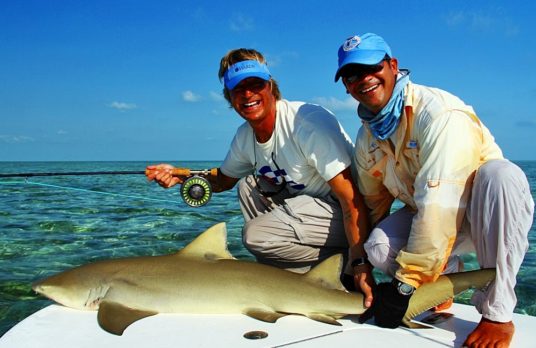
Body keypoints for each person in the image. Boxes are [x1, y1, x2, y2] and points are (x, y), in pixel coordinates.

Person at [333, 32, 534, 347]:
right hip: (430, 216)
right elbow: (373, 207)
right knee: (378, 246)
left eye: (372, 67)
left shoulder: (439, 114)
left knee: (502, 176)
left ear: (393, 66)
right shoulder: (366, 138)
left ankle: (498, 313)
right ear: (346, 86)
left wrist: (404, 286)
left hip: (484, 214)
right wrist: (359, 265)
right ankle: (443, 281)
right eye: (352, 74)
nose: (364, 79)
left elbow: (441, 204)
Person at [147, 48, 373, 303]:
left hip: (354, 217)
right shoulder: (245, 137)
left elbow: (352, 199)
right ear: (228, 96)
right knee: (248, 186)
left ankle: (333, 273)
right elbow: (223, 180)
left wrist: (360, 264)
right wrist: (182, 176)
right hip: (312, 218)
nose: (247, 94)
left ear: (271, 87)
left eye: (255, 84)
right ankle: (288, 279)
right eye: (238, 88)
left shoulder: (307, 123)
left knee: (256, 235)